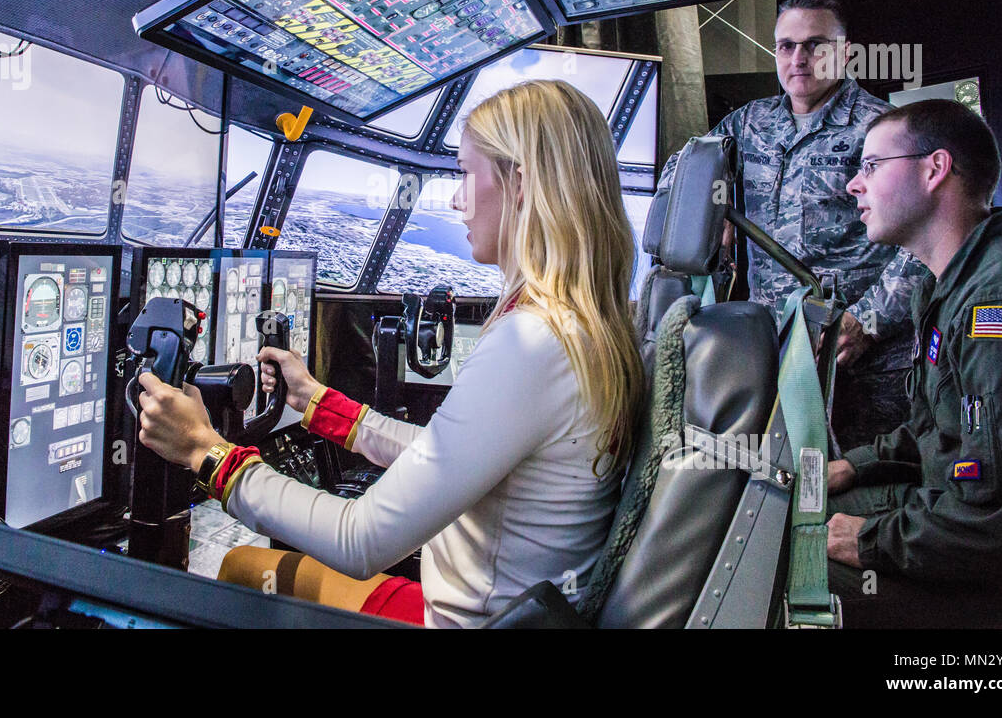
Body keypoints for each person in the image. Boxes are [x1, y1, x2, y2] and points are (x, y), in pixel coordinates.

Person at [137, 79, 645, 628]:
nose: (455, 198)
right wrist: (315, 402)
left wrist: (205, 453)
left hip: (455, 621)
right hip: (496, 611)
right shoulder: (587, 327)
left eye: (465, 175)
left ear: (520, 182)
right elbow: (447, 454)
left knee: (241, 565)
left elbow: (361, 540)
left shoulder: (533, 344)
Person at [825, 99, 1002, 627]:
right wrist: (856, 466)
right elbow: (947, 433)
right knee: (798, 520)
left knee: (797, 572)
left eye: (871, 166)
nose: (854, 185)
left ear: (935, 169)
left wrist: (867, 542)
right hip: (966, 517)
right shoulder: (948, 286)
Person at [657, 0, 927, 451]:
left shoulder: (883, 129)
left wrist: (866, 322)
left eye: (814, 45)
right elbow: (680, 172)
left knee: (864, 493)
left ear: (844, 52)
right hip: (777, 351)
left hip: (865, 362)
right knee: (786, 495)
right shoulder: (750, 122)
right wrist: (711, 213)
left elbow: (923, 239)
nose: (798, 59)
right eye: (785, 47)